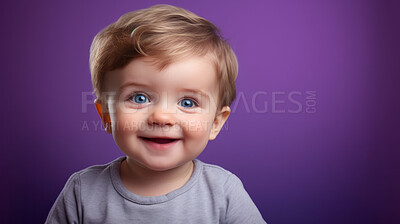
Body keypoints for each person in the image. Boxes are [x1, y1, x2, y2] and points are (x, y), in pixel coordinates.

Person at [46, 4, 267, 224]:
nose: (161, 117)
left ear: (216, 123)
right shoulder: (82, 192)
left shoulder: (224, 192)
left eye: (188, 102)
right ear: (106, 116)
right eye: (139, 98)